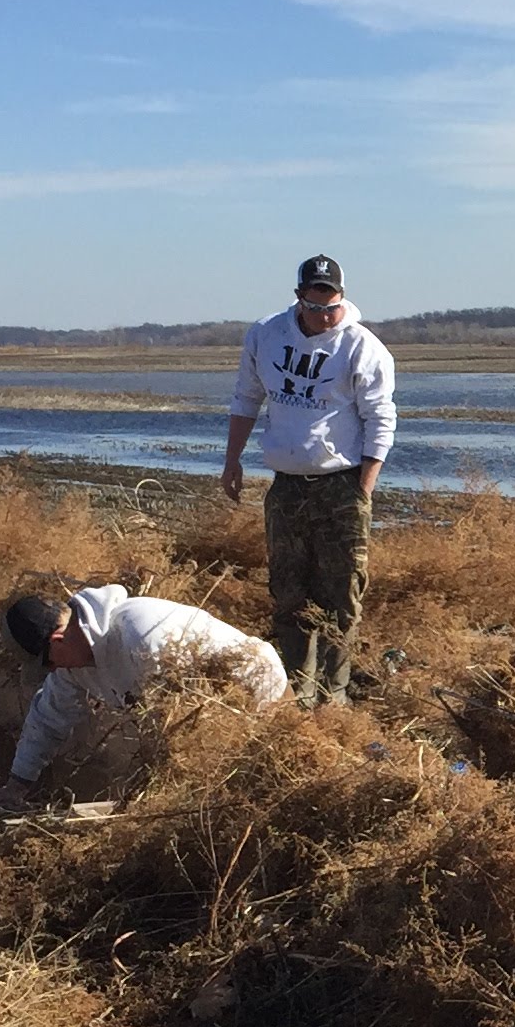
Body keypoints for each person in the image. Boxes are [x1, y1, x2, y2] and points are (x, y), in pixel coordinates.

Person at [223, 254, 396, 701]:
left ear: (342, 297)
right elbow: (246, 397)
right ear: (299, 296)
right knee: (288, 594)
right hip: (287, 486)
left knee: (342, 596)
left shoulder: (362, 347)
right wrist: (232, 460)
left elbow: (380, 419)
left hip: (342, 484)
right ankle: (296, 692)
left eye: (331, 306)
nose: (324, 316)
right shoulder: (265, 335)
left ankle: (333, 696)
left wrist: (363, 488)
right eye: (315, 306)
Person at [0, 585, 290, 799]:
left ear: (58, 640)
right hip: (206, 721)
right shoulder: (72, 668)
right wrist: (16, 785)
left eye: (47, 663)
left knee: (270, 786)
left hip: (257, 695)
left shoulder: (141, 636)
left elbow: (184, 728)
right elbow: (47, 720)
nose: (52, 671)